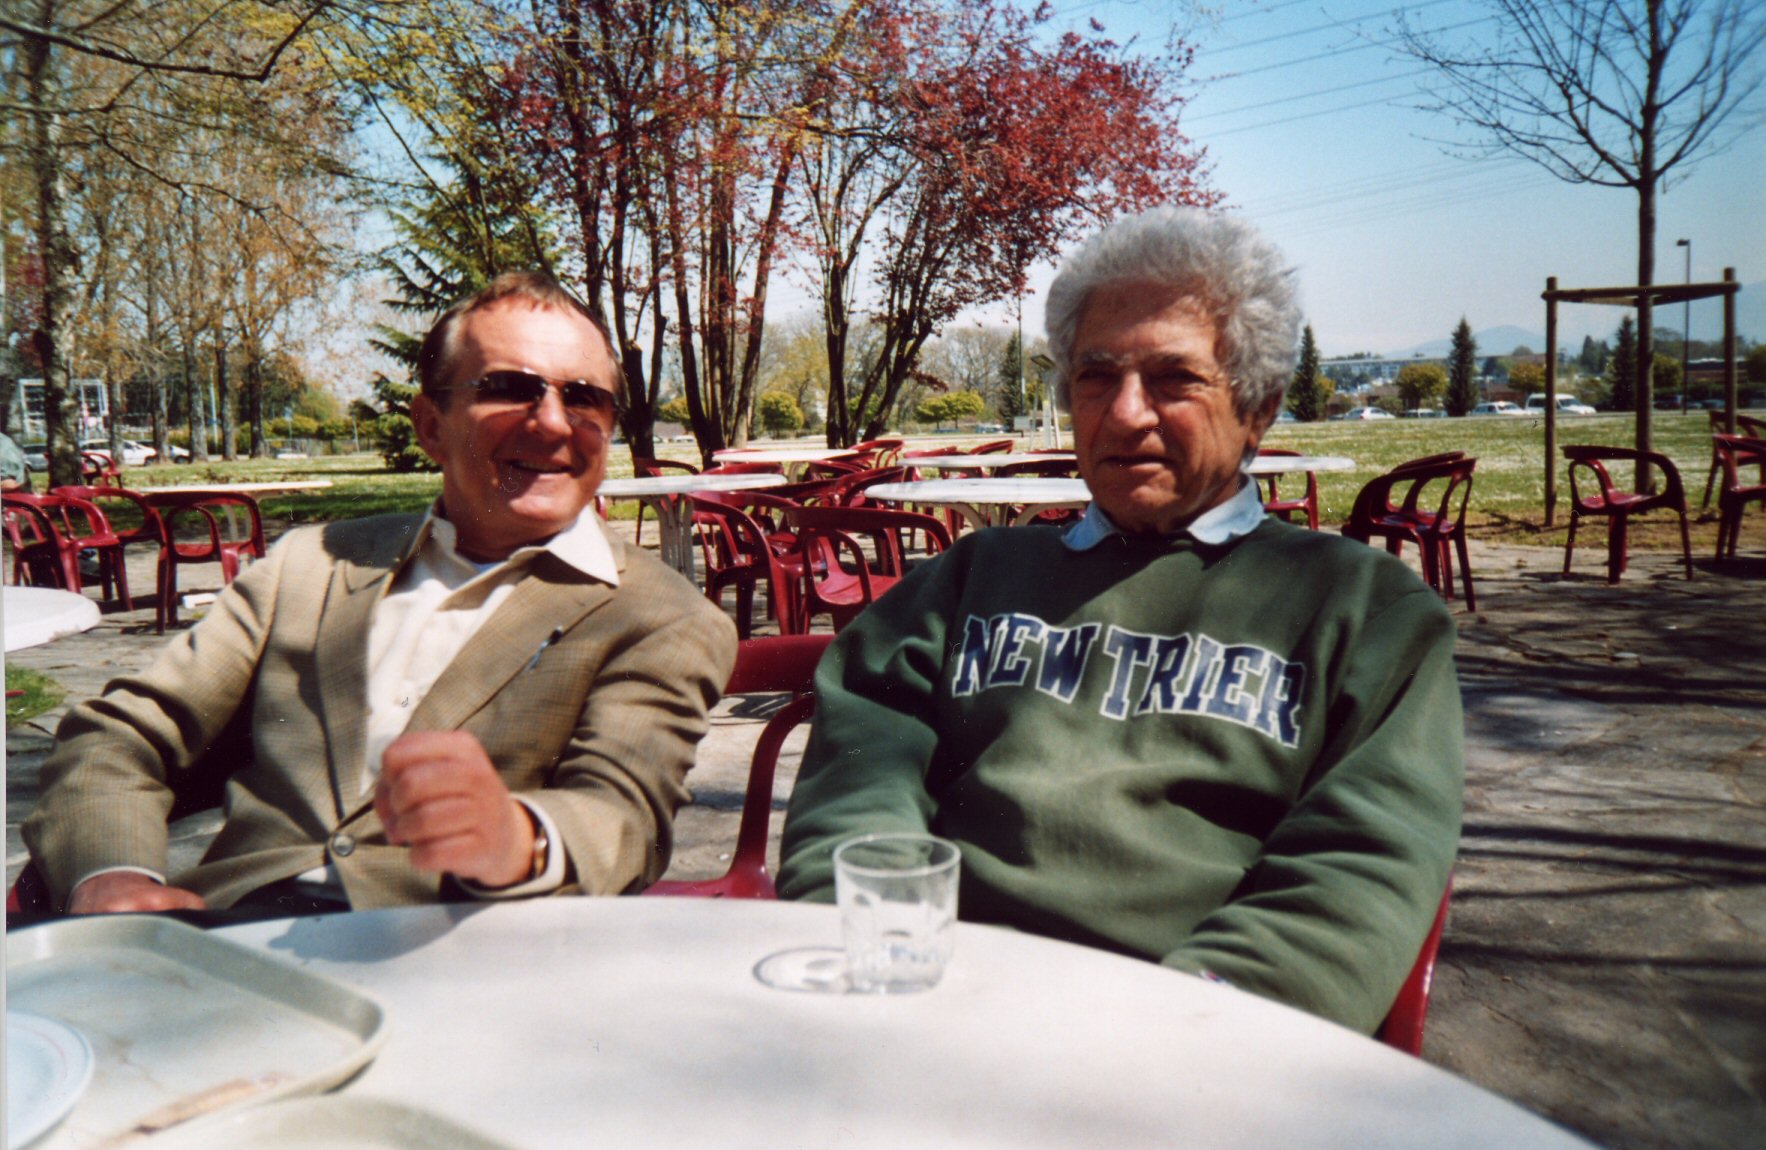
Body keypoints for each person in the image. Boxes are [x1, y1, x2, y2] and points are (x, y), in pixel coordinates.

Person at [776, 208, 1463, 1033]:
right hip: (935, 1008)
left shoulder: (1364, 614)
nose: (1126, 413)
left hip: (1178, 1052)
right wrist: (889, 962)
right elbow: (857, 788)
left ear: (1259, 408)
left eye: (1174, 379)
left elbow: (1354, 874)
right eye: (1095, 376)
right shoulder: (973, 577)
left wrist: (1170, 1042)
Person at [24, 272, 737, 914]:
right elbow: (119, 738)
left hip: (458, 962)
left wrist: (519, 837)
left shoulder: (658, 616)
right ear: (430, 425)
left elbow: (625, 817)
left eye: (584, 398)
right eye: (510, 387)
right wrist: (110, 876)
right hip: (232, 949)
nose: (551, 421)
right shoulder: (312, 566)